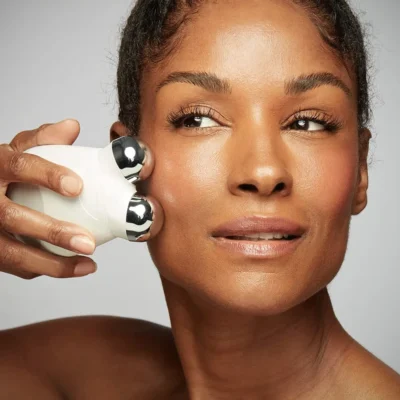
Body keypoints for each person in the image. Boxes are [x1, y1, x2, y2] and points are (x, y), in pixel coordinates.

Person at [0, 0, 399, 398]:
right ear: (129, 166)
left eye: (307, 123)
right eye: (198, 119)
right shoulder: (67, 378)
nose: (262, 173)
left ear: (360, 169)